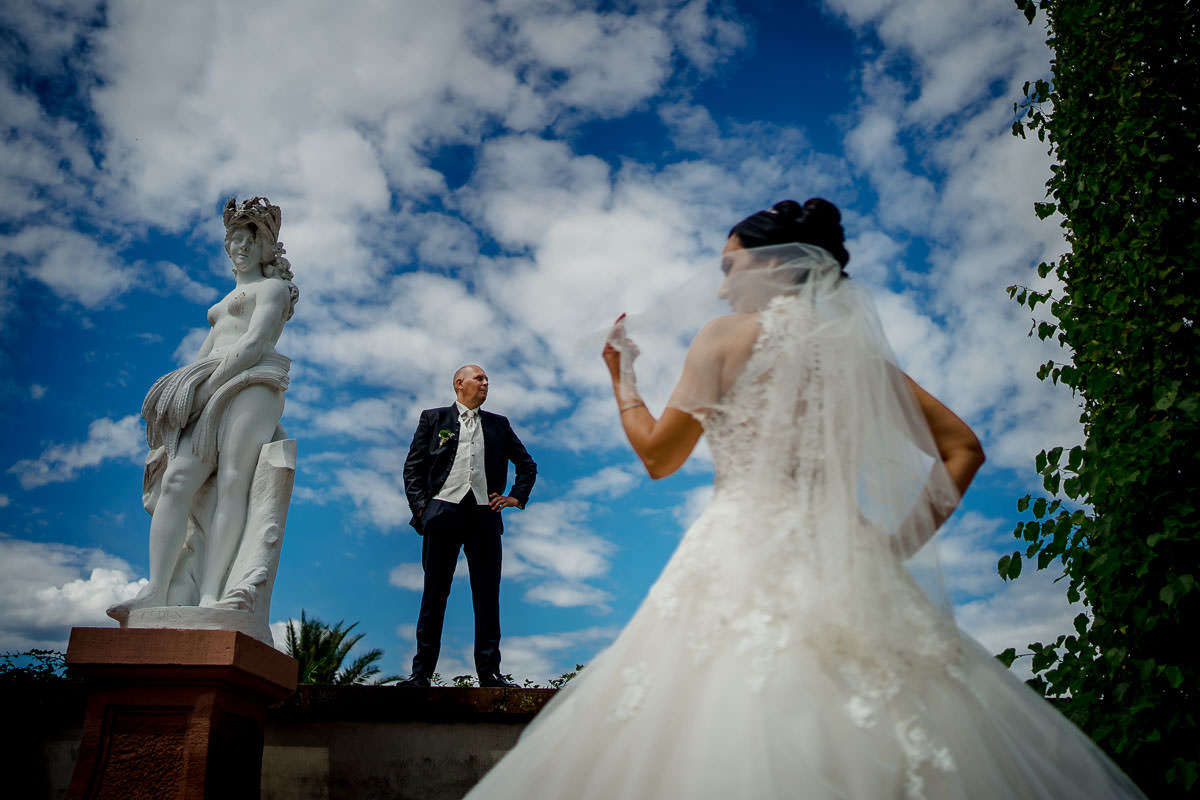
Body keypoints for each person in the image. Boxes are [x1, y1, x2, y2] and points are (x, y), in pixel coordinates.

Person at [463, 200, 1146, 798]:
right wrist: (891, 549)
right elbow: (963, 448)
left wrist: (625, 377)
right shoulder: (857, 355)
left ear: (771, 265)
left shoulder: (723, 337)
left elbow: (657, 456)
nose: (721, 283)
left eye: (730, 266)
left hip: (741, 555)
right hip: (854, 564)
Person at [108, 196, 299, 621]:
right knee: (176, 482)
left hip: (253, 384)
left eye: (249, 239)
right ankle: (157, 589)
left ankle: (214, 593)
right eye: (234, 240)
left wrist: (208, 387)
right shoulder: (221, 304)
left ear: (265, 247)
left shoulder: (273, 289)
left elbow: (255, 343)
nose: (240, 247)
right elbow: (202, 357)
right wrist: (181, 395)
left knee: (234, 482)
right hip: (211, 386)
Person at [399, 365, 537, 688]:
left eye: (488, 379)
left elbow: (527, 465)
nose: (486, 382)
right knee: (434, 595)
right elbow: (413, 468)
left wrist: (515, 497)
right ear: (459, 383)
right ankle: (420, 675)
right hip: (442, 513)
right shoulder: (433, 419)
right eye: (480, 378)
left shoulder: (499, 425)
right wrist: (423, 509)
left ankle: (490, 673)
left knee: (487, 596)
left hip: (484, 516)